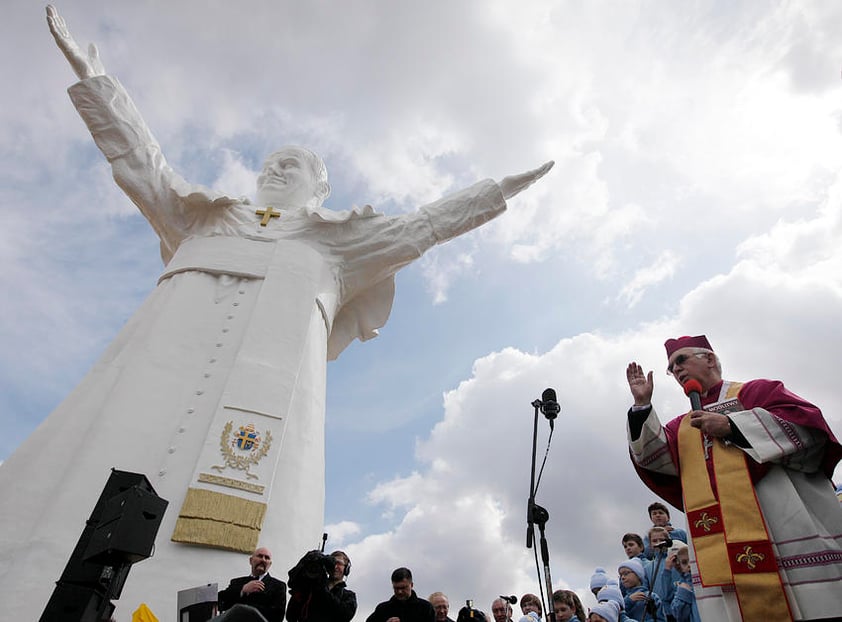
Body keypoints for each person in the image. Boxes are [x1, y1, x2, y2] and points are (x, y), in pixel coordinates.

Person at [0, 7, 555, 618]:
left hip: (262, 401)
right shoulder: (204, 215)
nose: (274, 168)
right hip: (149, 370)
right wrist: (98, 82)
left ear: (319, 188)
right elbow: (141, 165)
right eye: (269, 162)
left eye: (292, 164)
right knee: (79, 476)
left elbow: (424, 226)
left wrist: (495, 191)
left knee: (251, 517)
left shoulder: (334, 240)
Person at [626, 334, 842, 620]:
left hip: (784, 531)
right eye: (671, 368)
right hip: (722, 551)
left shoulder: (756, 393)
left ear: (710, 359)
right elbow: (653, 459)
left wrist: (733, 425)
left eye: (681, 360)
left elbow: (809, 429)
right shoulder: (684, 426)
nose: (676, 370)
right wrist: (642, 407)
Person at [285, 549, 357, 622]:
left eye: (339, 563)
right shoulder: (311, 587)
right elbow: (290, 615)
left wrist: (322, 587)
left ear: (346, 569)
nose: (335, 567)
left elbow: (344, 615)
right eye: (332, 563)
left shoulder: (349, 596)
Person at [218, 547, 287, 622]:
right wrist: (243, 589)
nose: (263, 560)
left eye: (266, 558)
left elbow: (278, 616)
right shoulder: (236, 582)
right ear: (251, 561)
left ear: (270, 564)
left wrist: (246, 608)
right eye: (260, 556)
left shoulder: (278, 586)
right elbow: (222, 601)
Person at [366, 567, 435, 622]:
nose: (400, 592)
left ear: (411, 585)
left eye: (403, 588)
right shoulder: (382, 609)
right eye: (396, 588)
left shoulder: (426, 608)